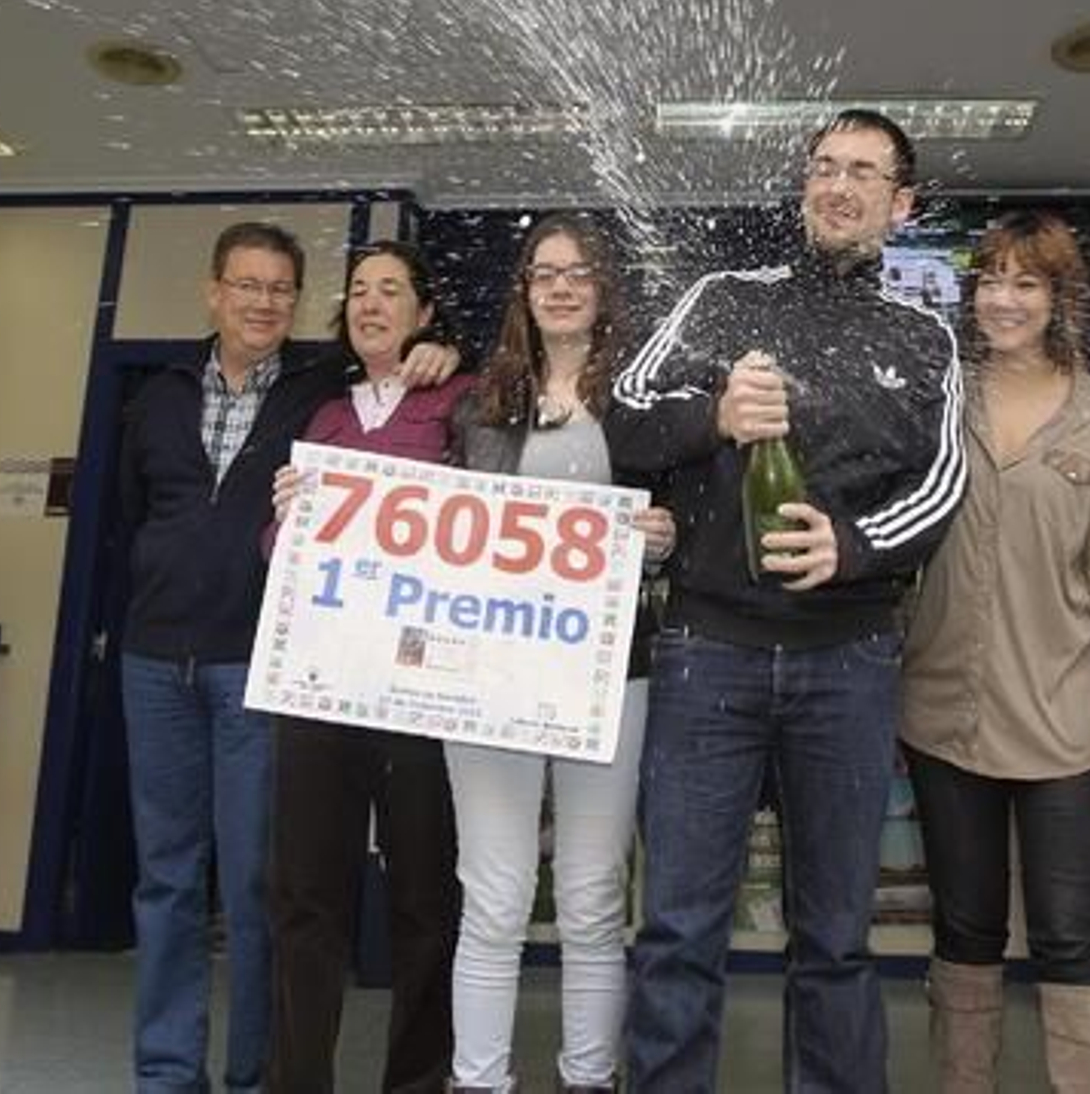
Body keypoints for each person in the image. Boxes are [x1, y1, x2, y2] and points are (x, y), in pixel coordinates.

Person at [610, 109, 967, 1093]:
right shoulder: (722, 298)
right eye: (822, 167)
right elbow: (624, 421)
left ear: (900, 204)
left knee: (835, 935)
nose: (836, 184)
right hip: (706, 652)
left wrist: (850, 547)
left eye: (862, 171)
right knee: (679, 925)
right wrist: (711, 415)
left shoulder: (924, 335)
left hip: (847, 663)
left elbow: (941, 490)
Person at [117, 221, 456, 1094]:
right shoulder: (160, 396)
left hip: (269, 666)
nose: (264, 302)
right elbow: (131, 520)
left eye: (280, 289)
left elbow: (421, 409)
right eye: (247, 285)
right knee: (167, 878)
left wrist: (440, 353)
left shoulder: (316, 390)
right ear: (213, 291)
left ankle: (255, 1070)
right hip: (159, 659)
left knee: (265, 882)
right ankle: (166, 1072)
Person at [900, 212, 1090, 1092]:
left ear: (1059, 298)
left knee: (1068, 930)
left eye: (1027, 283)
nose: (1004, 300)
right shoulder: (938, 399)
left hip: (1066, 712)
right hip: (943, 710)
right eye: (992, 280)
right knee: (965, 928)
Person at [446, 214, 675, 1094]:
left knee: (590, 898)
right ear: (524, 292)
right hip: (488, 681)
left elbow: (692, 509)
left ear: (604, 288)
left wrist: (665, 533)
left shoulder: (647, 401)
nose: (562, 286)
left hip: (610, 677)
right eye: (544, 273)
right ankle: (480, 1082)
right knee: (496, 898)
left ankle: (589, 1080)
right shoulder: (479, 406)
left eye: (580, 272)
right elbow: (426, 528)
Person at [266, 241, 473, 1093]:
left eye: (392, 291)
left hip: (425, 684)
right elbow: (283, 550)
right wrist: (284, 521)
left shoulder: (466, 399)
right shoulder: (321, 414)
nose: (371, 304)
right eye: (358, 291)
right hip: (321, 680)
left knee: (425, 900)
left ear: (427, 314)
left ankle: (418, 1081)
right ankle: (296, 1079)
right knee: (306, 895)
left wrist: (459, 358)